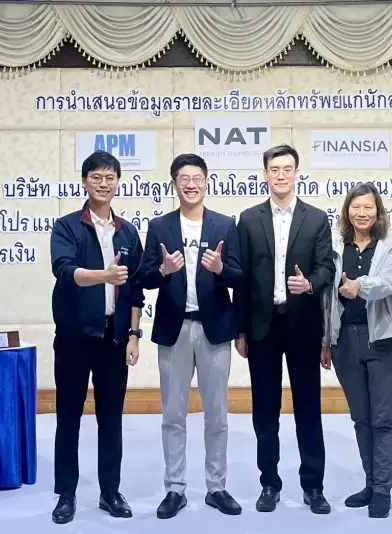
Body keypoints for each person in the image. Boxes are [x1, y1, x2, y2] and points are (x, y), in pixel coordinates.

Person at [140, 154, 243, 519]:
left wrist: (220, 268)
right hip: (175, 329)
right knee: (173, 414)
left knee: (217, 414)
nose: (191, 184)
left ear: (206, 181)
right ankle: (175, 488)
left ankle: (217, 487)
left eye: (197, 178)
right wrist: (164, 269)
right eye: (184, 178)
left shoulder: (225, 224)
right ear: (174, 183)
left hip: (215, 329)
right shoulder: (160, 226)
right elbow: (144, 277)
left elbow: (239, 276)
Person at [233, 144, 335, 514]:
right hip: (262, 327)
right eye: (274, 169)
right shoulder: (248, 219)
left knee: (308, 408)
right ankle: (269, 483)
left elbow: (327, 268)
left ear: (296, 173)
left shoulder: (316, 218)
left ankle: (313, 486)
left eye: (287, 169)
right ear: (265, 174)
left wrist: (310, 284)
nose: (281, 175)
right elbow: (241, 278)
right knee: (265, 411)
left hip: (303, 325)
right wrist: (240, 330)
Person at [49, 150, 145, 524]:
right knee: (68, 416)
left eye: (110, 178)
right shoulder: (67, 226)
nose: (103, 184)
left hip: (114, 339)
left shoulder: (127, 232)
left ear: (118, 183)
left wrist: (134, 334)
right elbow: (64, 271)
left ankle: (110, 492)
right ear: (85, 182)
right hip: (74, 338)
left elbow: (134, 289)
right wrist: (103, 276)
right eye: (96, 177)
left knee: (111, 418)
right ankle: (66, 494)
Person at [321, 181, 392, 519]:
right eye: (355, 207)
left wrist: (360, 286)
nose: (362, 213)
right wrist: (326, 340)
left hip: (384, 342)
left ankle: (383, 490)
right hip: (345, 341)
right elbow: (327, 298)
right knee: (361, 418)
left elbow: (388, 283)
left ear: (378, 211)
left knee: (383, 418)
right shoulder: (335, 248)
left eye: (368, 207)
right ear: (347, 211)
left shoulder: (390, 246)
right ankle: (370, 483)